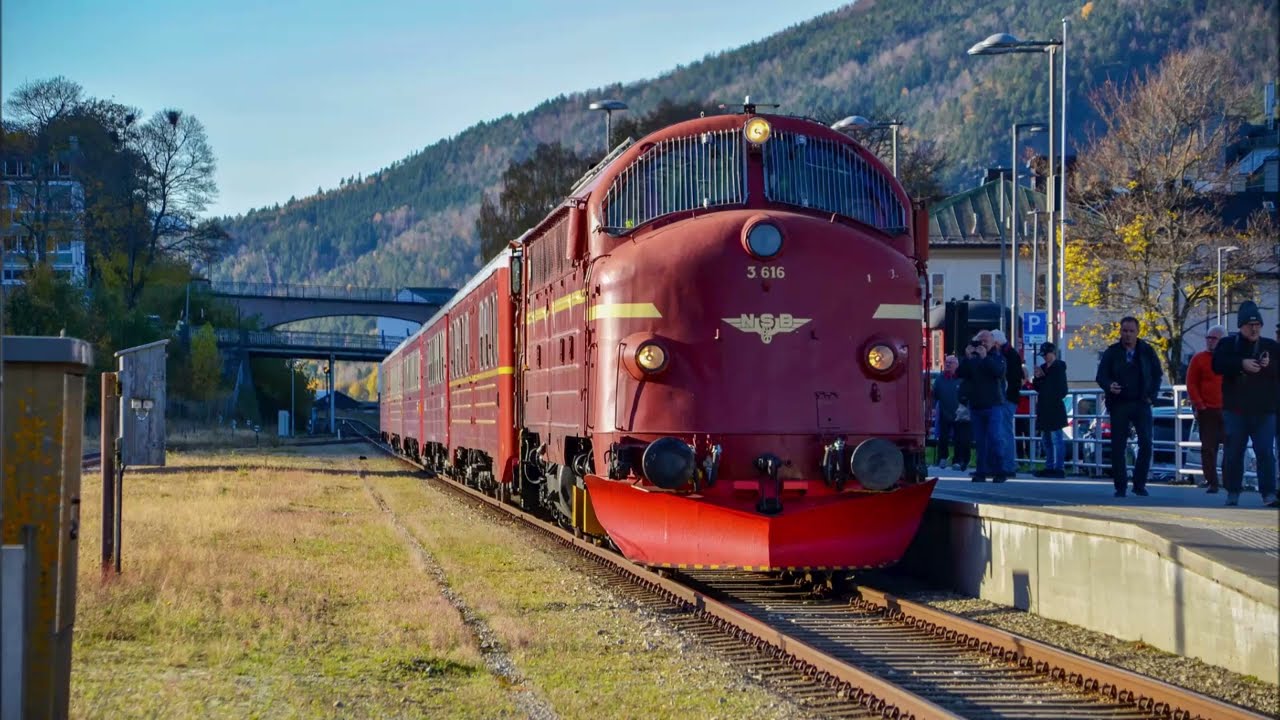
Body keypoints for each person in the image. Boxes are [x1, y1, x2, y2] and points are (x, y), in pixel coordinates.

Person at [1211, 301, 1279, 507]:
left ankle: (1268, 493)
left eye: (1257, 324)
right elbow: (1217, 365)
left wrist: (1268, 366)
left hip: (1264, 410)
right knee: (1233, 453)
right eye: (1250, 325)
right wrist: (1241, 365)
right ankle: (1233, 491)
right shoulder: (1227, 345)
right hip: (1236, 410)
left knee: (1266, 453)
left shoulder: (1271, 347)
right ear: (1241, 326)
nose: (1254, 328)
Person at [1095, 316, 1163, 497]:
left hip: (1141, 402)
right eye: (1124, 331)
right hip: (1119, 403)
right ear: (1120, 332)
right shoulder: (1112, 352)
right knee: (1118, 445)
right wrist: (1110, 386)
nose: (1128, 335)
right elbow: (1101, 375)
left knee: (1146, 443)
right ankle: (1121, 486)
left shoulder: (1147, 351)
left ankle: (1139, 484)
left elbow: (1157, 374)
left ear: (1137, 332)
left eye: (1131, 331)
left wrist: (1152, 395)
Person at [958, 330, 1008, 483]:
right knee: (980, 441)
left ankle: (999, 471)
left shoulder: (997, 357)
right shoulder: (973, 359)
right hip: (977, 405)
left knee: (995, 438)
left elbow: (998, 372)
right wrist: (966, 358)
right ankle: (981, 471)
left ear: (993, 342)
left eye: (986, 340)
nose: (983, 343)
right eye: (981, 341)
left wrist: (985, 357)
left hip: (993, 404)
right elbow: (961, 373)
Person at [1186, 325, 1226, 493]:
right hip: (1207, 409)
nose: (1210, 341)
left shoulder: (1229, 359)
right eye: (1208, 338)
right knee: (1208, 448)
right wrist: (1199, 404)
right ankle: (1212, 482)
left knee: (1232, 447)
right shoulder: (1199, 359)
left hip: (1228, 410)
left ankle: (1230, 481)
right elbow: (1191, 383)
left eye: (1214, 338)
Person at [990, 329, 1024, 477]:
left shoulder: (1007, 356)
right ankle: (1005, 465)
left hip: (1006, 399)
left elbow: (1011, 379)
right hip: (1007, 398)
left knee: (1004, 432)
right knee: (1003, 432)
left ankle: (1007, 465)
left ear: (996, 343)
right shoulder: (1011, 354)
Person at [1032, 342, 1068, 478]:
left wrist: (1043, 377)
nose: (1045, 358)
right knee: (1046, 439)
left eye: (1046, 355)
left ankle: (1059, 467)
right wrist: (1038, 378)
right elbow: (1038, 387)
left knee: (1056, 438)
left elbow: (1060, 389)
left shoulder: (1058, 367)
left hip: (1054, 407)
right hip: (1043, 406)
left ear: (1052, 353)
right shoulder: (1043, 368)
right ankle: (1049, 465)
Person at [932, 355, 963, 468]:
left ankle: (957, 460)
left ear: (957, 365)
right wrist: (933, 408)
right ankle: (942, 458)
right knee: (943, 437)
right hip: (944, 412)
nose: (948, 364)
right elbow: (935, 395)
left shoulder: (961, 378)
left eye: (951, 362)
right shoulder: (940, 379)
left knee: (959, 438)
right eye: (947, 362)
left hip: (959, 413)